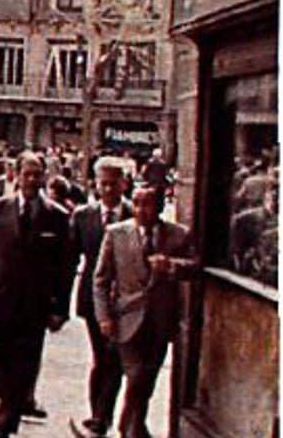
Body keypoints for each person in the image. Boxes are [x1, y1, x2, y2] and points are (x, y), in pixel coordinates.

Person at [0, 153, 73, 438]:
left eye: (37, 175)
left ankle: (5, 422)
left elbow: (64, 269)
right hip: (0, 301)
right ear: (16, 175)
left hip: (35, 306)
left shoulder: (57, 216)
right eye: (27, 174)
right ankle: (9, 402)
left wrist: (60, 309)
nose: (32, 180)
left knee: (25, 364)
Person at [93, 187, 195, 438]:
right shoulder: (116, 234)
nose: (141, 210)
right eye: (136, 204)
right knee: (136, 375)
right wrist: (103, 316)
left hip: (159, 321)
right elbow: (101, 280)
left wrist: (171, 265)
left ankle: (132, 425)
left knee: (147, 380)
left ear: (160, 207)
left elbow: (195, 267)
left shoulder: (177, 235)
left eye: (147, 205)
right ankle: (132, 429)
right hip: (125, 319)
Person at [67, 157, 133, 438]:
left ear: (124, 184)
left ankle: (102, 417)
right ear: (95, 184)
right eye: (102, 183)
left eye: (113, 183)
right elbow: (69, 259)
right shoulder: (83, 215)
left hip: (126, 301)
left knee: (115, 359)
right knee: (101, 357)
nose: (107, 189)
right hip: (93, 297)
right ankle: (98, 415)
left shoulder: (134, 212)